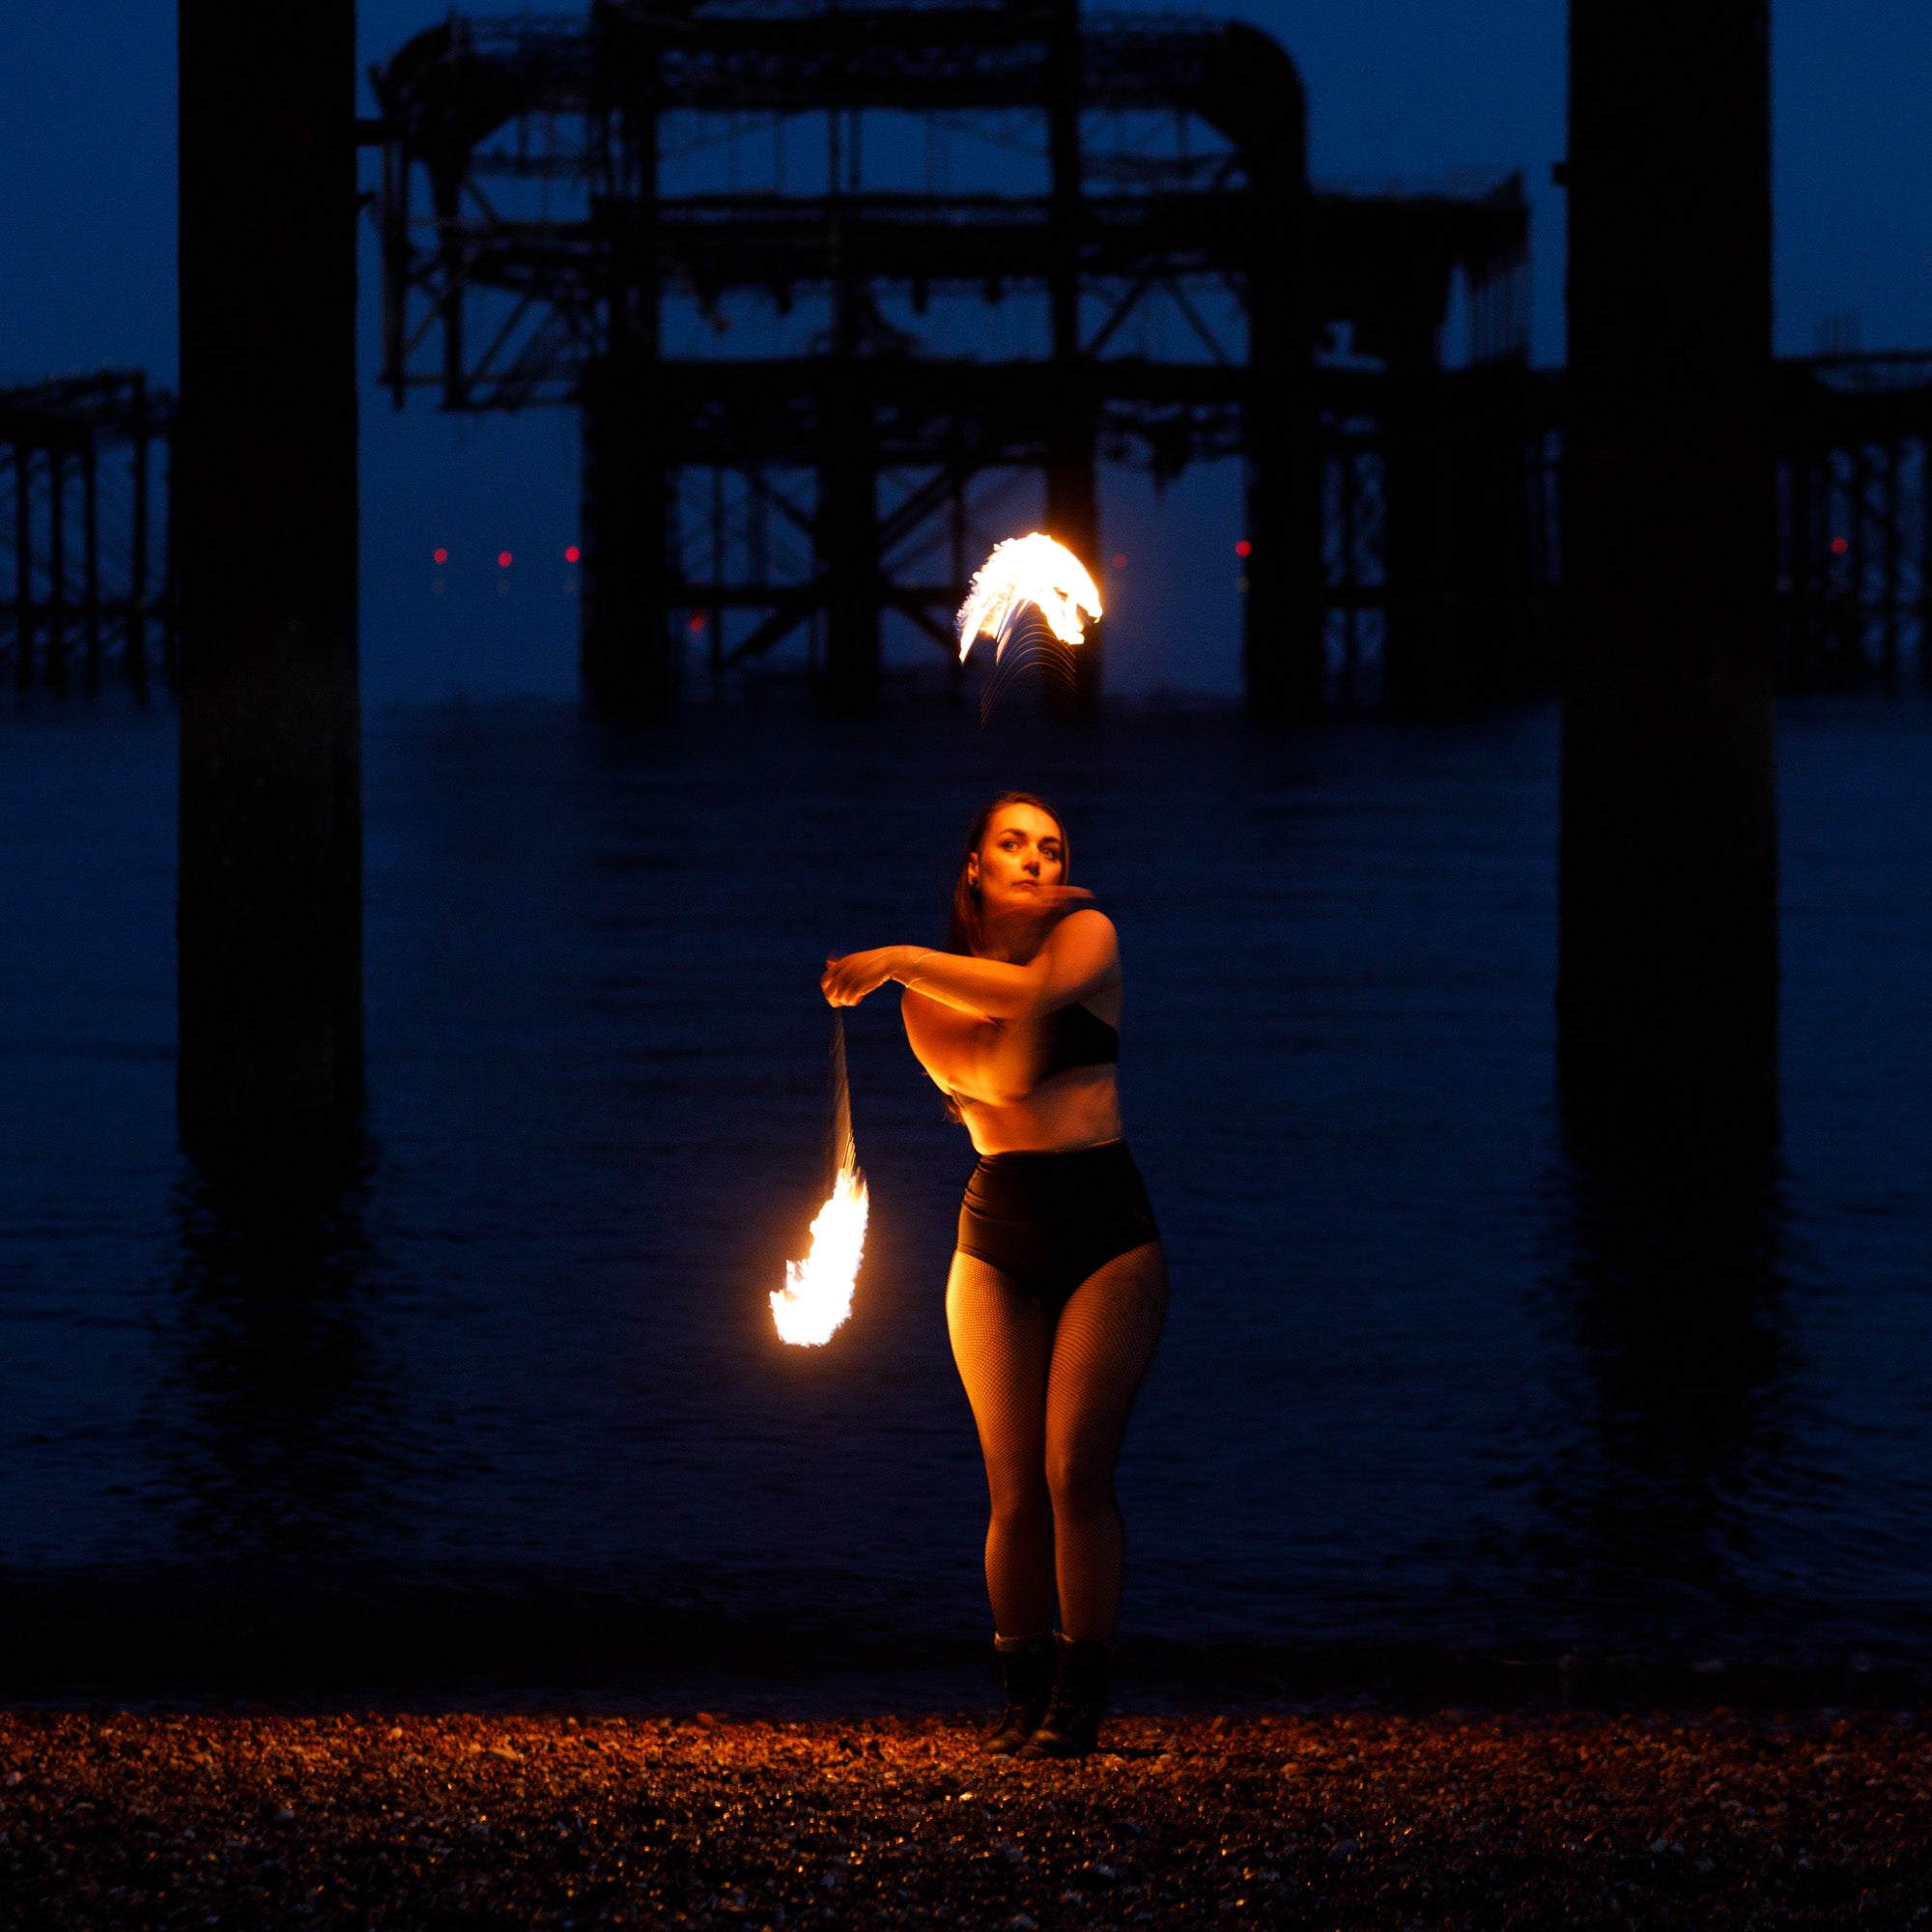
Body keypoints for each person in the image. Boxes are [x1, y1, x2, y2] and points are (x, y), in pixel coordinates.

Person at [820, 792, 1167, 1758]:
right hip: (994, 1238)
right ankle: (1018, 1698)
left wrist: (896, 957)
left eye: (1051, 847)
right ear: (972, 864)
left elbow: (1014, 1061)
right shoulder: (930, 1004)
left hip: (1106, 1231)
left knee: (1072, 1472)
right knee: (1011, 1484)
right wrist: (948, 969)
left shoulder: (1087, 935)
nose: (1033, 859)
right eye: (1011, 844)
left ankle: (1077, 1699)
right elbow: (1005, 1062)